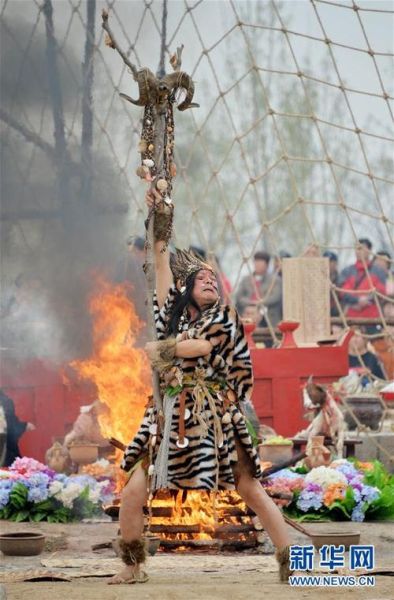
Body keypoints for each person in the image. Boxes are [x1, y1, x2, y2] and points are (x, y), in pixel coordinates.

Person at [108, 188, 293, 585]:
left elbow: (202, 346)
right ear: (185, 287)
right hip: (167, 415)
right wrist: (158, 214)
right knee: (134, 487)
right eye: (202, 278)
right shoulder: (169, 316)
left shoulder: (224, 316)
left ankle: (290, 559)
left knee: (249, 486)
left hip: (214, 416)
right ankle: (131, 563)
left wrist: (161, 348)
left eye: (214, 278)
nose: (210, 281)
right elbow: (159, 263)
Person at [338, 239, 387, 324]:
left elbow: (381, 292)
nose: (358, 252)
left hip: (373, 319)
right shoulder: (346, 271)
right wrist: (357, 300)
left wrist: (366, 300)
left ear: (369, 251)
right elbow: (342, 292)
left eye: (361, 248)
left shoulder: (379, 271)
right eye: (357, 249)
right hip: (351, 318)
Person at [235, 251, 282, 329]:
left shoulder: (275, 280)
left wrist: (259, 305)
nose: (257, 265)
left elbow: (275, 297)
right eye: (256, 262)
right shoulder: (246, 280)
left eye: (260, 263)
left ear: (266, 265)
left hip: (267, 317)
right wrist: (251, 304)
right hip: (247, 313)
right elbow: (239, 297)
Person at [0, 389, 35, 467]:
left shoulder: (5, 402)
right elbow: (11, 425)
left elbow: (10, 424)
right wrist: (24, 426)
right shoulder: (5, 401)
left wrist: (23, 426)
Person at [323, 251, 340, 317]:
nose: (327, 264)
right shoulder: (317, 279)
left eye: (330, 261)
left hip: (336, 313)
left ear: (335, 263)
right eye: (324, 261)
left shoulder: (340, 279)